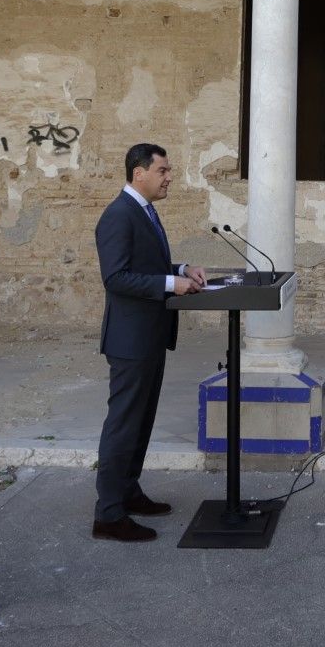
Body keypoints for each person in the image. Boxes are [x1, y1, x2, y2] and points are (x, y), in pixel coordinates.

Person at [92, 142, 205, 543]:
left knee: (140, 423)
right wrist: (170, 284)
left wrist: (181, 269)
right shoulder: (118, 216)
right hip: (130, 339)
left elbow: (147, 266)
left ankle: (128, 492)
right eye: (163, 170)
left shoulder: (144, 211)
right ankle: (108, 514)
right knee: (123, 425)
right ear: (139, 173)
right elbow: (117, 277)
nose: (169, 176)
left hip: (150, 335)